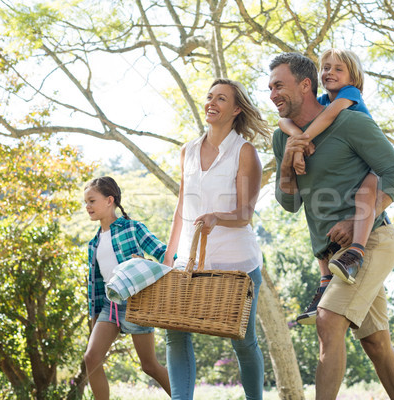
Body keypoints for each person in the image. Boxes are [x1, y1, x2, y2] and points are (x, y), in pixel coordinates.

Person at [269, 53, 394, 400]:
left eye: (279, 86)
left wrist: (352, 220)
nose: (273, 94)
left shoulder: (351, 122)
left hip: (372, 240)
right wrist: (287, 162)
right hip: (334, 255)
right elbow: (289, 203)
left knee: (328, 319)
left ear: (305, 85)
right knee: (376, 343)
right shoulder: (282, 137)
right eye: (270, 87)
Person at [163, 78, 270, 400]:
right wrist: (169, 256)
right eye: (209, 96)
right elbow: (183, 205)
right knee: (174, 332)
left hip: (236, 263)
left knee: (242, 340)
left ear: (236, 109)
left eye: (221, 99)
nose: (211, 102)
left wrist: (216, 216)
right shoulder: (188, 151)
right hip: (190, 260)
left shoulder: (244, 152)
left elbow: (245, 214)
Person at [277, 48, 379, 325]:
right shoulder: (322, 100)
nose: (329, 73)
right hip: (341, 184)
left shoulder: (349, 97)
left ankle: (355, 252)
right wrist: (297, 140)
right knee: (318, 206)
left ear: (353, 77)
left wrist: (304, 140)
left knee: (365, 196)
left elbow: (329, 116)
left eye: (338, 69)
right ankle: (325, 280)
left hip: (369, 167)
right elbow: (282, 120)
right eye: (325, 68)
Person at [83, 176, 171, 400]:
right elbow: (96, 287)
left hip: (136, 304)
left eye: (92, 201)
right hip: (108, 307)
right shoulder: (93, 243)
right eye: (86, 202)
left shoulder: (132, 228)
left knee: (149, 366)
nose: (88, 207)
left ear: (109, 200)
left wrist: (162, 267)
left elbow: (163, 253)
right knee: (91, 358)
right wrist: (94, 321)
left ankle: (184, 397)